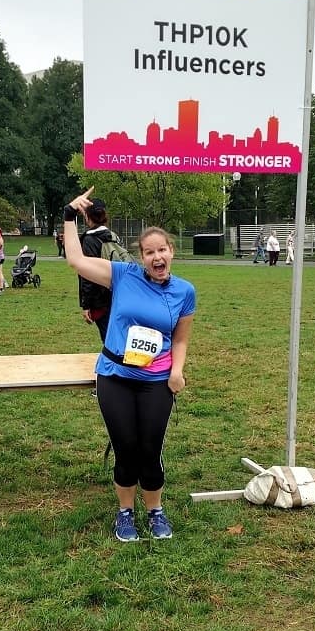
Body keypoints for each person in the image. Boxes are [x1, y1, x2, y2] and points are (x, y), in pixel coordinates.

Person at [63, 186, 196, 542]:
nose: (157, 257)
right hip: (116, 376)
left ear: (171, 252)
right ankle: (125, 513)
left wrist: (177, 370)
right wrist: (69, 216)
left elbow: (180, 338)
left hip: (156, 380)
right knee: (126, 448)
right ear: (141, 256)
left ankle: (155, 511)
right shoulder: (123, 275)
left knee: (150, 450)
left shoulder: (185, 291)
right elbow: (76, 261)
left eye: (162, 250)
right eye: (149, 252)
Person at [77, 197, 116, 341]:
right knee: (117, 336)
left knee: (109, 340)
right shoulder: (113, 236)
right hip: (118, 295)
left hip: (100, 300)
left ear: (87, 216)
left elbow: (87, 275)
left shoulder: (89, 240)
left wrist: (86, 305)